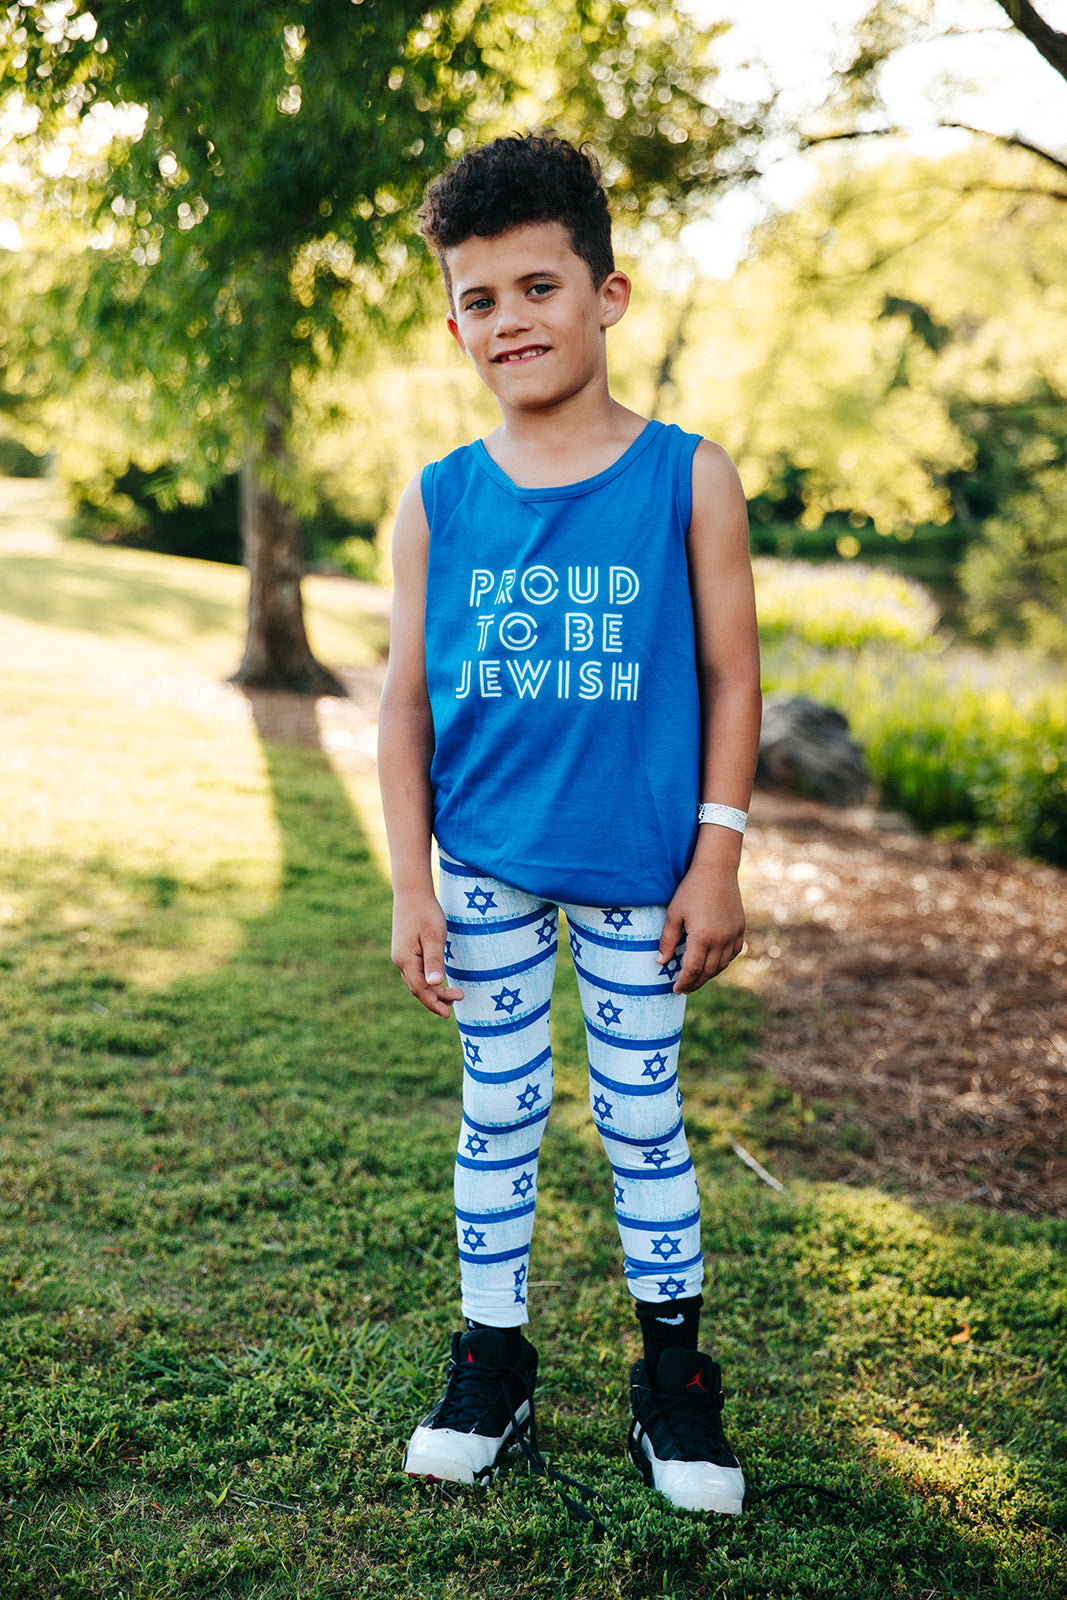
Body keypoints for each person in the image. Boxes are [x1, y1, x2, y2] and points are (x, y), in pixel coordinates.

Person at [377, 132, 761, 1518]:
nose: (509, 322)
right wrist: (412, 884)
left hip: (639, 870)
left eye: (537, 287)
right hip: (483, 863)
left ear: (608, 294)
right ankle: (493, 1360)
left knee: (642, 1120)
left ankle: (675, 1384)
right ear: (455, 318)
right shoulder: (437, 501)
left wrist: (718, 853)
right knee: (497, 1117)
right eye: (479, 300)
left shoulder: (685, 476)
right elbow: (405, 707)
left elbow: (730, 677)